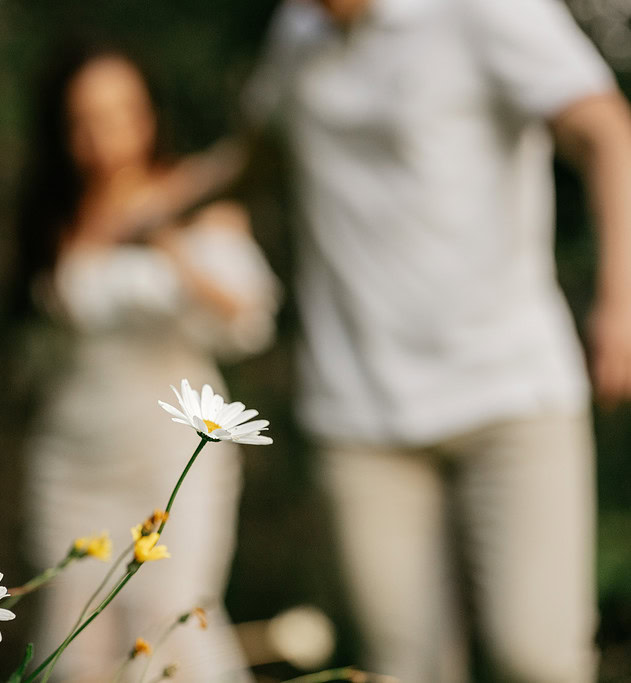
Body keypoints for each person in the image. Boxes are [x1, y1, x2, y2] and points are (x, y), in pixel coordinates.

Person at [236, 0, 631, 681]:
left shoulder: (485, 9)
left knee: (536, 658)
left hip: (511, 389)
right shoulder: (295, 32)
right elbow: (255, 156)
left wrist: (620, 303)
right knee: (401, 669)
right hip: (357, 408)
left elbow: (604, 130)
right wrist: (143, 210)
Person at [15, 45, 281, 682]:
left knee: (170, 629)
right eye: (84, 120)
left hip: (175, 450)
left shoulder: (194, 197)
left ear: (148, 114)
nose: (105, 135)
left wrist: (165, 240)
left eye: (121, 113)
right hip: (70, 459)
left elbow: (248, 319)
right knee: (74, 647)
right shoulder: (53, 217)